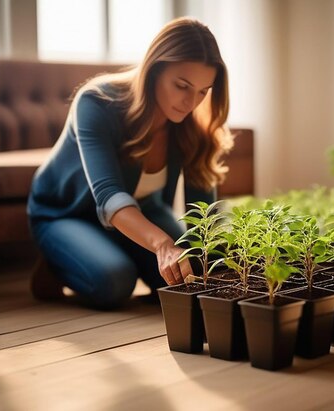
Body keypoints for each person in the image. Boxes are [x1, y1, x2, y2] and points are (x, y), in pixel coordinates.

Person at [27, 17, 232, 308]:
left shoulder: (190, 127)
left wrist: (228, 261)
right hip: (67, 213)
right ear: (154, 69)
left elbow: (203, 224)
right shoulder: (95, 102)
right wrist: (162, 245)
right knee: (115, 281)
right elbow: (109, 196)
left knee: (191, 274)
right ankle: (59, 264)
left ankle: (115, 248)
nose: (191, 102)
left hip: (144, 211)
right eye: (182, 85)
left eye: (202, 91)